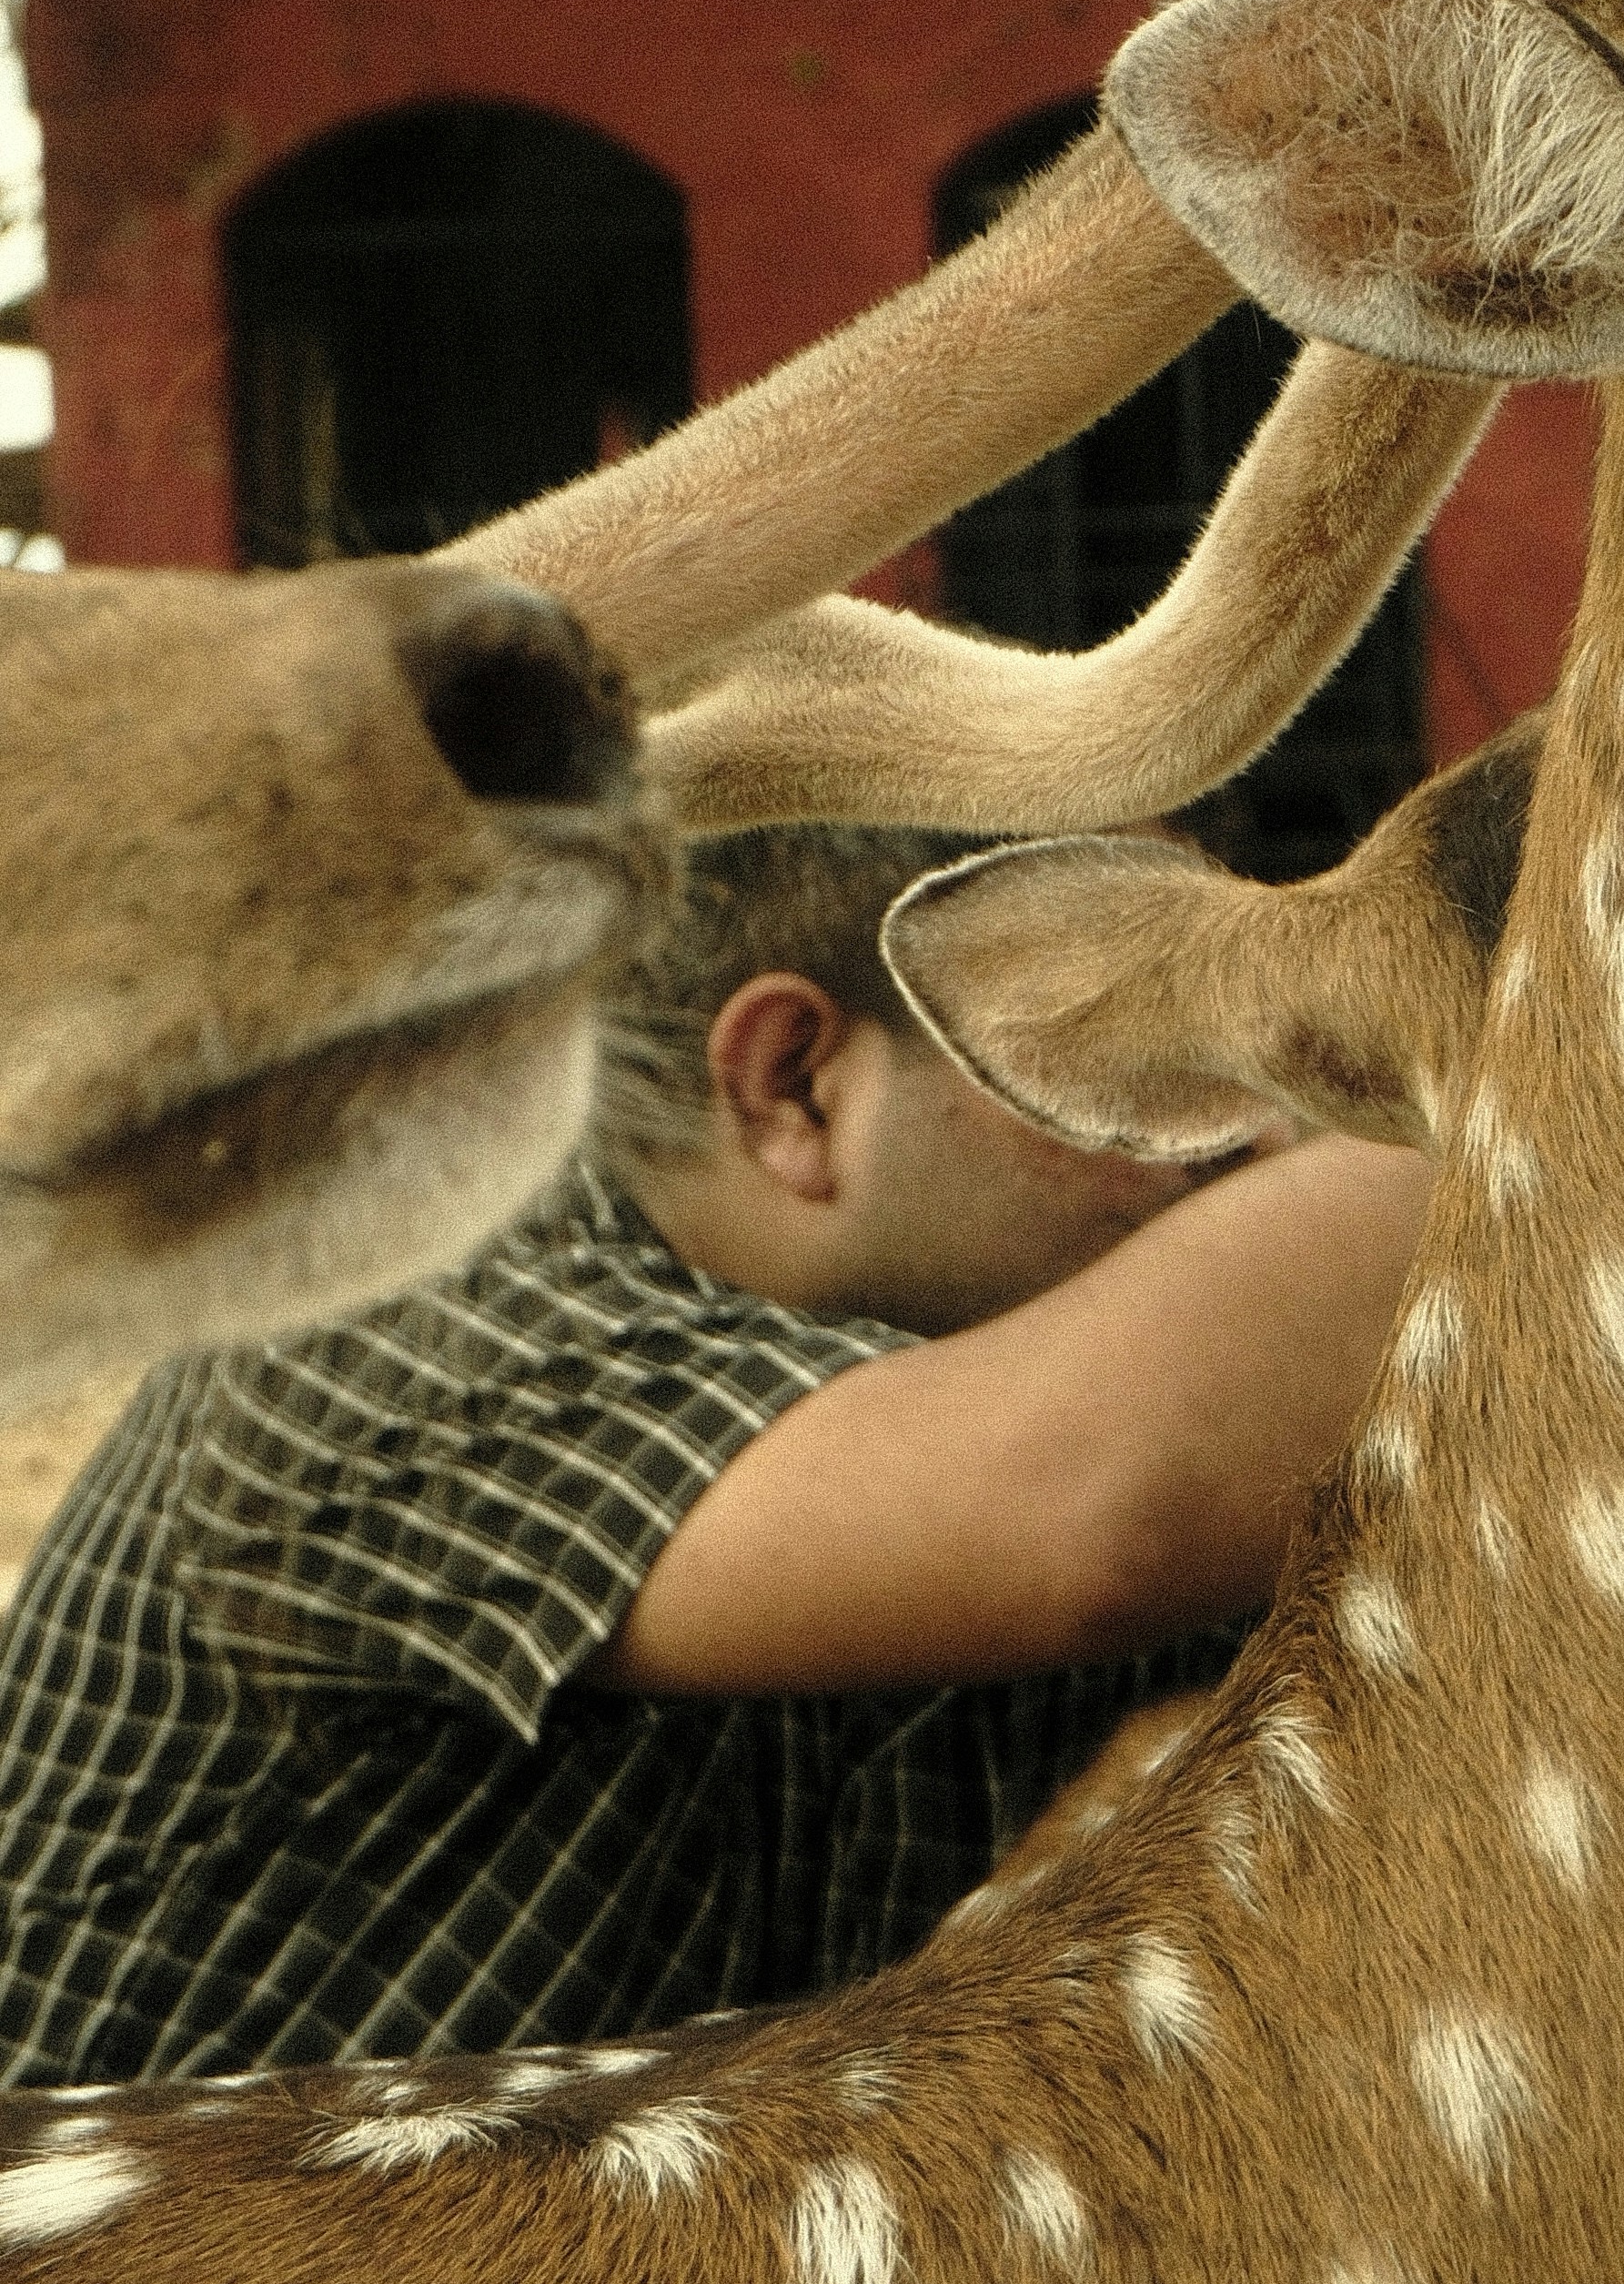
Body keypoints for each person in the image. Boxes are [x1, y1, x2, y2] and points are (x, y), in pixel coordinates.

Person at [0, 824, 1429, 2087]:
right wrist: (1557, 1047)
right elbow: (1099, 1505)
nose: (1256, 1139)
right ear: (791, 1083)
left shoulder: (924, 1344)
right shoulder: (390, 1319)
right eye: (1139, 1065)